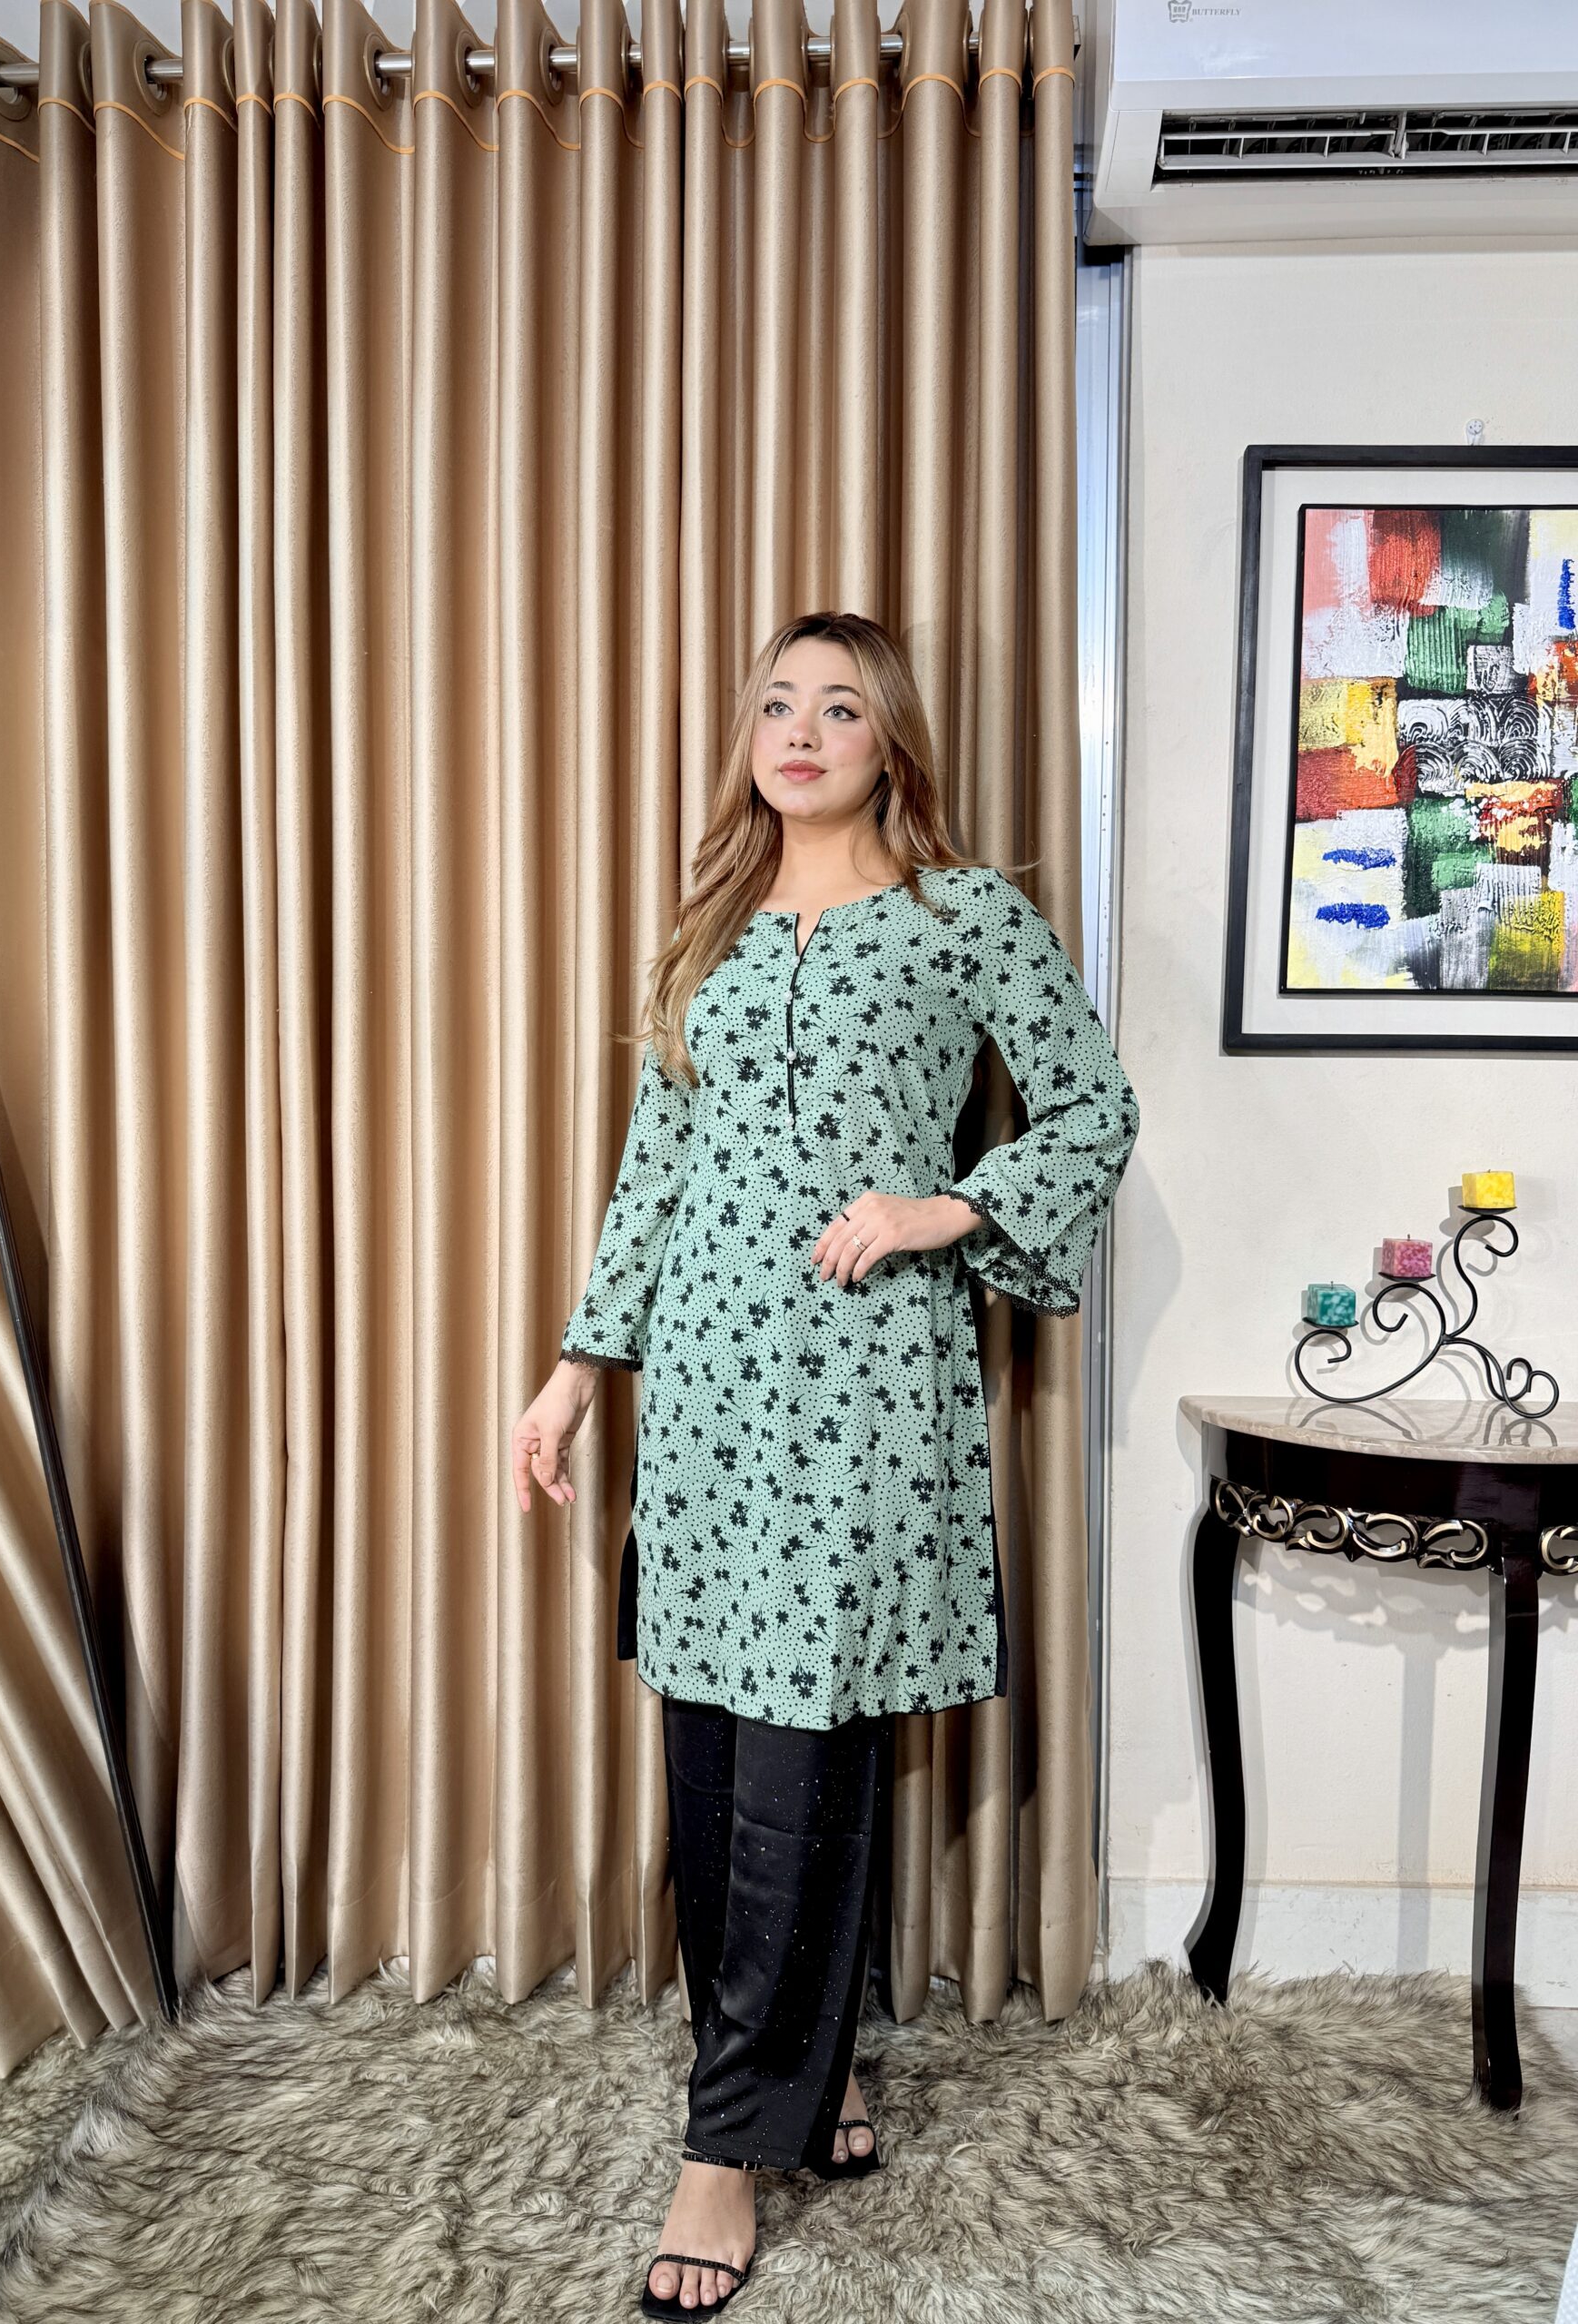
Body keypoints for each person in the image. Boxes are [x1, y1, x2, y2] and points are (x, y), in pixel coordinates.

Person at [511, 610, 1139, 2316]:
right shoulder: (708, 930)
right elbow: (654, 1170)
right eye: (777, 703)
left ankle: (723, 2150)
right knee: (716, 1760)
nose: (799, 731)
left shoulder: (965, 914)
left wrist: (944, 1208)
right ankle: (821, 2070)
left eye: (840, 706)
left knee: (804, 1758)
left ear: (890, 740)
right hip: (706, 1404)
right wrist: (574, 1378)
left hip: (865, 1394)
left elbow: (1091, 1109)